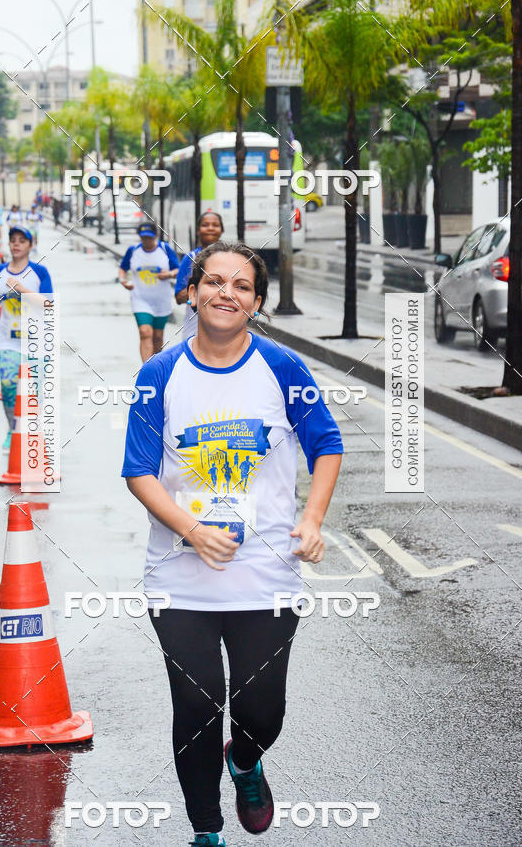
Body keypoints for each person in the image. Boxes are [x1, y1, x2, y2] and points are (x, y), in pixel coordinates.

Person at [122, 241, 343, 847]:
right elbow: (139, 469)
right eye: (213, 281)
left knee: (262, 712)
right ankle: (206, 831)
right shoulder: (159, 374)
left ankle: (245, 759)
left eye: (241, 286)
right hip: (179, 575)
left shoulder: (282, 368)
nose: (226, 293)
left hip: (266, 572)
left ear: (257, 302)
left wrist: (314, 518)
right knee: (196, 712)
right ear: (190, 292)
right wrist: (191, 530)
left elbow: (326, 444)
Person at [0, 224, 53, 451]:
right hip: (6, 340)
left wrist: (22, 289)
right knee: (9, 385)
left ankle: (33, 430)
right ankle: (13, 428)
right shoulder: (0, 270)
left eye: (22, 240)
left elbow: (49, 303)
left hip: (36, 341)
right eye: (13, 240)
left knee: (35, 391)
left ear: (30, 245)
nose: (17, 244)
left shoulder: (39, 272)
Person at [118, 221, 180, 363]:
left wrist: (169, 274)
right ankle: (146, 369)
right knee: (145, 332)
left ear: (155, 236)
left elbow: (178, 269)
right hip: (140, 299)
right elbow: (122, 268)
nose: (146, 241)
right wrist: (123, 281)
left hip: (161, 301)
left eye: (149, 237)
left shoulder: (164, 249)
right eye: (144, 237)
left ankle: (156, 366)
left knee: (158, 337)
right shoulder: (133, 251)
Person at [175, 212, 224, 340]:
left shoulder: (230, 259)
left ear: (221, 230)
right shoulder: (190, 258)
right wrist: (202, 289)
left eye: (215, 225)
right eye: (205, 225)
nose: (210, 228)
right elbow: (179, 297)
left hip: (224, 328)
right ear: (198, 231)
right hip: (194, 330)